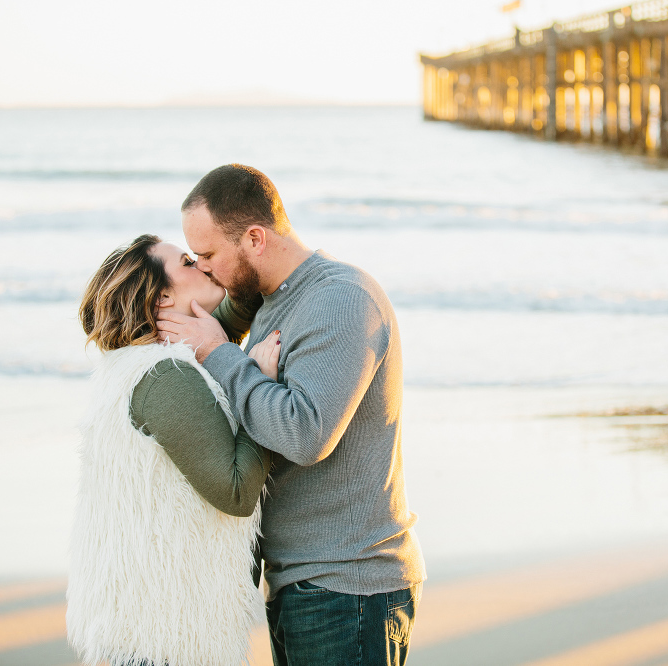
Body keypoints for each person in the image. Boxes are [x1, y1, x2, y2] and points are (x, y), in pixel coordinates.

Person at [157, 164, 426, 666]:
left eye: (210, 255)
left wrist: (221, 354)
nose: (205, 267)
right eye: (194, 258)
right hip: (300, 582)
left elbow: (305, 434)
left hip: (348, 585)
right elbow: (197, 327)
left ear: (255, 238)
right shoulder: (265, 299)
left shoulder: (340, 300)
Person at [67, 234, 281, 666]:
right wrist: (259, 384)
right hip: (166, 640)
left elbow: (232, 310)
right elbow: (236, 493)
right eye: (187, 262)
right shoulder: (166, 377)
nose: (202, 265)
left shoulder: (130, 366)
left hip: (135, 628)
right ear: (163, 298)